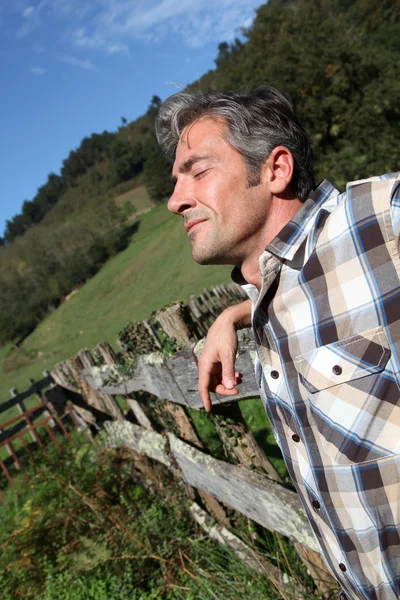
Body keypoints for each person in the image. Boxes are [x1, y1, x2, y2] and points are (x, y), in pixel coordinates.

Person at [155, 86, 400, 600]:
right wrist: (235, 313)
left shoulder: (379, 219)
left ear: (275, 170)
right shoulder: (269, 300)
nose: (175, 200)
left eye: (197, 172)